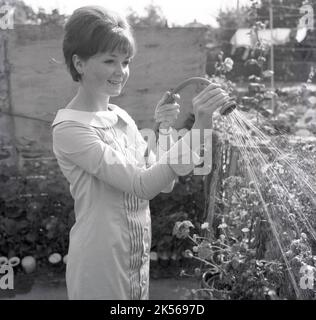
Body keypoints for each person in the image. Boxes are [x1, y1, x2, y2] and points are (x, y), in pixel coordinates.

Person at [51, 6, 230, 300]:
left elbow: (164, 180)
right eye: (110, 60)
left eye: (126, 61)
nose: (121, 71)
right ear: (79, 63)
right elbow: (141, 186)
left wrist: (163, 129)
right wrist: (202, 125)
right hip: (100, 264)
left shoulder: (120, 116)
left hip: (136, 255)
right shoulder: (70, 128)